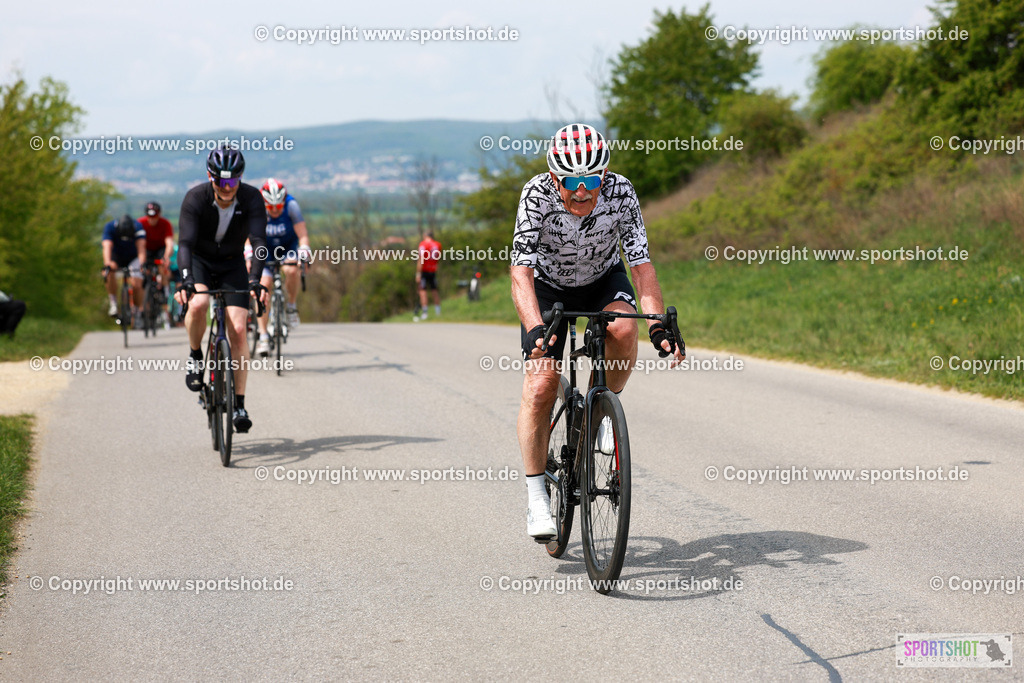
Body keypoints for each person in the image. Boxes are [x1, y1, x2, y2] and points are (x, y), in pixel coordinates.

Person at [510, 123, 685, 539]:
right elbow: (520, 271)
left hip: (603, 278)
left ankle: (601, 407)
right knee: (541, 385)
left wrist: (658, 322)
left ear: (603, 175)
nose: (583, 191)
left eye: (591, 180)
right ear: (556, 178)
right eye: (572, 181)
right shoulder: (535, 194)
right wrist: (535, 328)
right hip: (548, 285)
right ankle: (537, 497)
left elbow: (640, 264)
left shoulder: (621, 191)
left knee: (625, 330)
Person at [174, 146, 268, 432]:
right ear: (209, 177)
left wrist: (255, 279)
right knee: (199, 304)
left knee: (239, 329)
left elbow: (259, 243)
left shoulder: (252, 198)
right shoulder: (195, 199)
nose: (227, 189)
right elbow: (186, 245)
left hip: (232, 264)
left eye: (232, 182)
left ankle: (239, 403)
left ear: (240, 179)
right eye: (220, 182)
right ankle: (195, 356)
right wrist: (186, 280)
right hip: (200, 262)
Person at [254, 178, 310, 357]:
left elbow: (302, 235)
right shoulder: (256, 208)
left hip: (288, 247)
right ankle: (263, 336)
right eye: (271, 208)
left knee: (291, 270)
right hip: (265, 249)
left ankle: (291, 306)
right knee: (264, 284)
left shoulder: (292, 206)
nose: (276, 210)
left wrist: (305, 251)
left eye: (279, 206)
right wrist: (248, 252)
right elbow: (248, 236)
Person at [102, 214, 147, 318]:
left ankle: (137, 310)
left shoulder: (138, 227)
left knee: (137, 283)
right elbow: (107, 246)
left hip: (133, 257)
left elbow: (141, 248)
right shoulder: (109, 227)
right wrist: (107, 263)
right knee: (108, 272)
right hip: (116, 256)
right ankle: (113, 303)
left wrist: (142, 264)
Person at [139, 201, 174, 287]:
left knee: (163, 266)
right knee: (143, 269)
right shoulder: (140, 223)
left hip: (160, 249)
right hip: (146, 249)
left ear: (159, 214)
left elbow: (169, 243)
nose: (152, 219)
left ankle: (166, 290)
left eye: (154, 216)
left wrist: (166, 257)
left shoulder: (165, 223)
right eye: (149, 216)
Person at [414, 230, 441, 321]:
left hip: (424, 270)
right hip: (433, 270)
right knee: (434, 291)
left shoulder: (423, 244)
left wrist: (418, 273)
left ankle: (425, 312)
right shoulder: (437, 245)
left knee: (423, 291)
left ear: (425, 236)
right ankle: (438, 311)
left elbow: (421, 258)